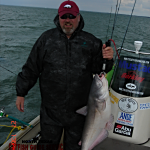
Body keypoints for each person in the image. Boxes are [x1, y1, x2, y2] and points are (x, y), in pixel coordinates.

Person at [16, 0, 114, 150]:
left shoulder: (92, 42)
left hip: (79, 112)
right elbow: (31, 67)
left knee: (74, 147)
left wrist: (107, 58)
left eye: (71, 16)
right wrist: (21, 92)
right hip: (50, 111)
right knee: (47, 145)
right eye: (64, 16)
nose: (68, 20)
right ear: (58, 18)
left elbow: (100, 70)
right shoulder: (46, 39)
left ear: (79, 17)